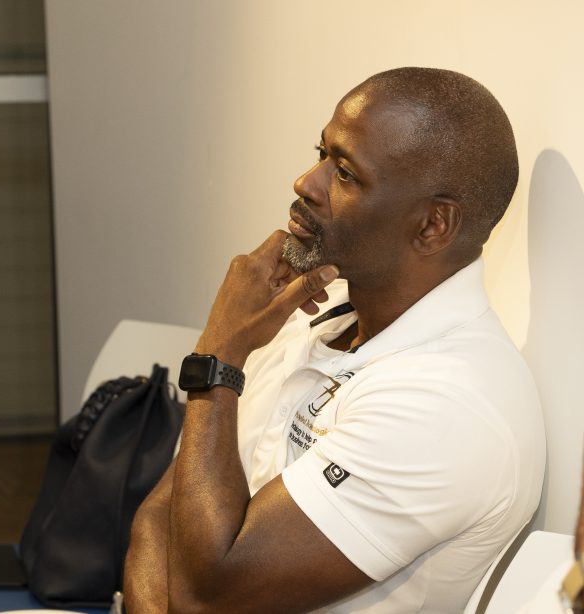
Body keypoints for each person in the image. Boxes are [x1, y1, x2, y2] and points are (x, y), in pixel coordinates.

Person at [123, 67, 546, 613]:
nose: (306, 182)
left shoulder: (447, 403)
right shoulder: (315, 312)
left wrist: (219, 355)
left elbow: (208, 596)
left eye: (344, 173)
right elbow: (163, 514)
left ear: (433, 226)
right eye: (321, 153)